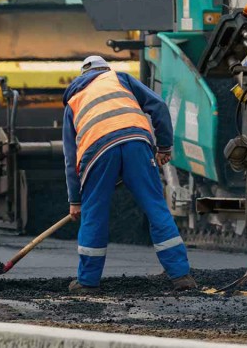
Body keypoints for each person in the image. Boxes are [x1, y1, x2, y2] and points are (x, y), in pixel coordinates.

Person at [62, 56, 196, 293]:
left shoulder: (74, 100)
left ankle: (87, 282)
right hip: (136, 143)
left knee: (94, 214)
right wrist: (164, 146)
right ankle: (181, 276)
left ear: (82, 77)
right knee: (156, 208)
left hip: (97, 152)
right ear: (105, 70)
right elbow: (159, 107)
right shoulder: (120, 79)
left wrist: (75, 200)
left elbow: (70, 157)